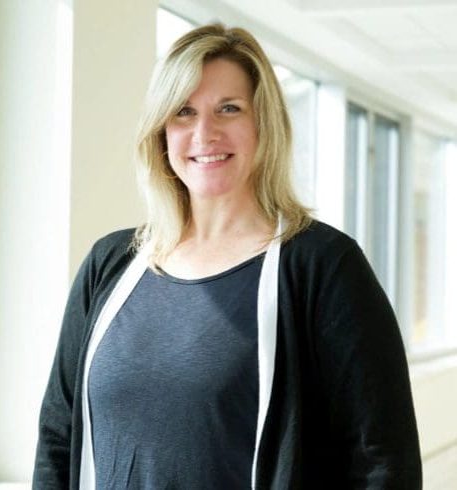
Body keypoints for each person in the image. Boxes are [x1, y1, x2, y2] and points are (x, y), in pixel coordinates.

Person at [33, 23, 422, 489]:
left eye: (229, 109)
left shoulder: (322, 267)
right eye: (183, 112)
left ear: (263, 123)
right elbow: (58, 435)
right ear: (160, 131)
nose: (205, 133)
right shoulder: (110, 265)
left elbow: (382, 458)